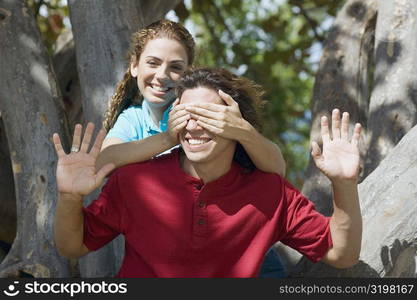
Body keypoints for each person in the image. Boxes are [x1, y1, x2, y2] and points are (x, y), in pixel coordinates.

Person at [53, 67, 362, 277]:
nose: (194, 125)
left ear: (237, 124)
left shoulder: (271, 192)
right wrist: (69, 198)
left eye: (208, 115)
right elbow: (73, 245)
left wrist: (343, 183)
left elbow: (341, 254)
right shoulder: (134, 181)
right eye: (185, 114)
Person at [95, 19, 286, 276]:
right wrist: (168, 138)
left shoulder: (207, 109)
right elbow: (104, 162)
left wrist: (242, 131)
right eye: (152, 63)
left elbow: (277, 169)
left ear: (188, 74)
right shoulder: (133, 119)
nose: (162, 75)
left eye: (175, 67)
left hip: (243, 250)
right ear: (134, 66)